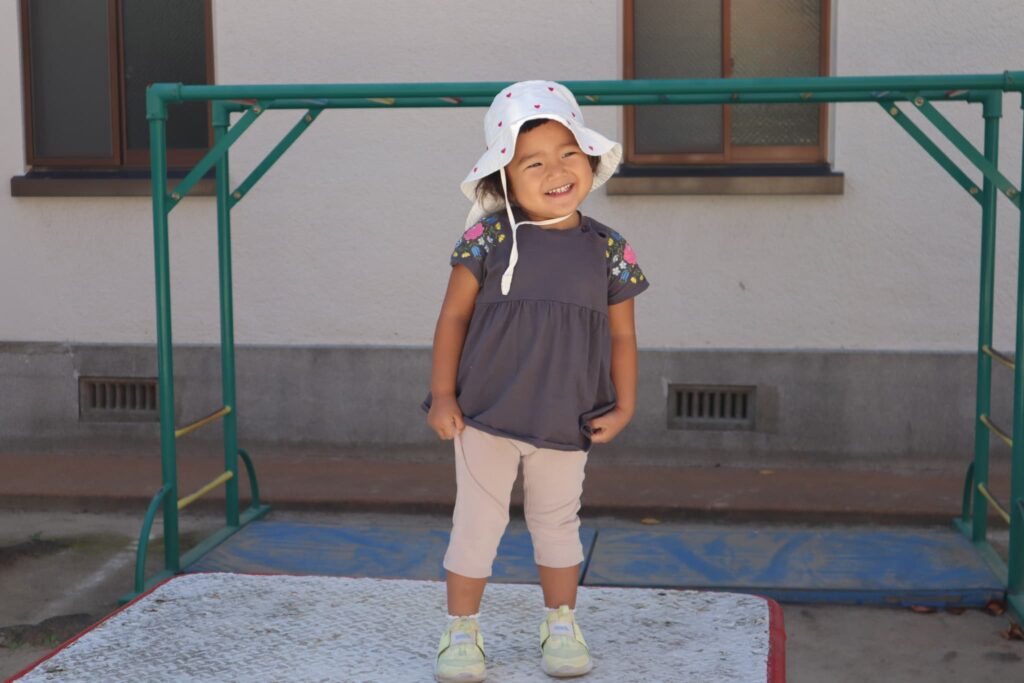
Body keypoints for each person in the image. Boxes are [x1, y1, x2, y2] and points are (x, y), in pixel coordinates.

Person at [422, 80, 649, 682]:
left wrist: (624, 405)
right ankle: (461, 629)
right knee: (477, 524)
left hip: (568, 417)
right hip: (484, 416)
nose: (556, 170)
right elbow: (453, 318)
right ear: (504, 178)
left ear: (590, 159)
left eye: (568, 153)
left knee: (558, 525)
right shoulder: (489, 239)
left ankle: (561, 622)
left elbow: (623, 337)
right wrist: (443, 394)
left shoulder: (608, 249)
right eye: (534, 162)